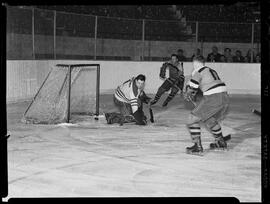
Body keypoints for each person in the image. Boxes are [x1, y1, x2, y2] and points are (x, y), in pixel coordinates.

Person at [183, 56, 230, 155]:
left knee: (191, 119)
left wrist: (187, 93)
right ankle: (221, 142)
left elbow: (192, 89)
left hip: (213, 97)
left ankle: (197, 147)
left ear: (195, 64)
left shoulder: (198, 72)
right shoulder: (210, 70)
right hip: (224, 97)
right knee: (209, 119)